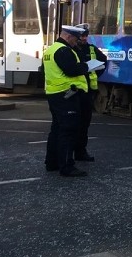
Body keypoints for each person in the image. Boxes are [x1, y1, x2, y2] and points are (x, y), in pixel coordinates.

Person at [43, 25, 102, 177]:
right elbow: (72, 70)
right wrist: (85, 66)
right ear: (68, 37)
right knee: (68, 131)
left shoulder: (50, 50)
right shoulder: (63, 51)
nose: (76, 42)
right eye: (75, 39)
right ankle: (67, 165)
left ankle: (52, 162)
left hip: (54, 94)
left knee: (56, 129)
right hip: (67, 95)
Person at [73, 23, 108, 162]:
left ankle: (81, 152)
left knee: (85, 123)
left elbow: (103, 61)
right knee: (73, 124)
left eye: (86, 36)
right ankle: (70, 152)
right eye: (82, 36)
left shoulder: (92, 49)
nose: (84, 38)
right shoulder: (70, 50)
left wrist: (96, 74)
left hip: (88, 92)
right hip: (75, 92)